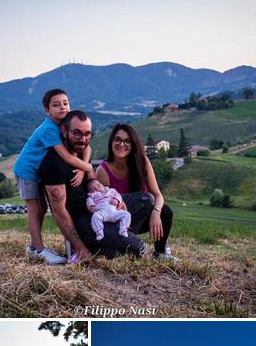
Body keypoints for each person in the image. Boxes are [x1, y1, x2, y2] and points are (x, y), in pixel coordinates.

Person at [39, 111, 147, 261]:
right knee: (138, 249)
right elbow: (59, 212)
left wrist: (116, 201)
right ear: (64, 131)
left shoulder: (81, 152)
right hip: (83, 223)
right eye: (77, 133)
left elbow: (91, 179)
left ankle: (117, 235)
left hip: (100, 207)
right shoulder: (54, 164)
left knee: (145, 199)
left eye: (87, 134)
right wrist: (81, 248)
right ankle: (87, 246)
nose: (83, 140)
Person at [13, 88, 94, 265]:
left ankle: (35, 246)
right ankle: (38, 249)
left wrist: (82, 169)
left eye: (65, 103)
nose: (62, 107)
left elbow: (86, 147)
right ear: (47, 111)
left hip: (38, 171)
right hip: (28, 171)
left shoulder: (67, 122)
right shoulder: (48, 129)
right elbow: (65, 156)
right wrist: (88, 167)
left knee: (41, 208)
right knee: (35, 209)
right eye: (56, 105)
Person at [95, 123, 177, 260]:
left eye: (127, 141)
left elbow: (158, 195)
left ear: (133, 144)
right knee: (145, 198)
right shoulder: (103, 171)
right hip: (116, 221)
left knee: (166, 212)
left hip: (140, 217)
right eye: (118, 139)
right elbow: (102, 206)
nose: (122, 144)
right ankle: (122, 243)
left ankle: (160, 253)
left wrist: (156, 213)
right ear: (111, 141)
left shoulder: (142, 162)